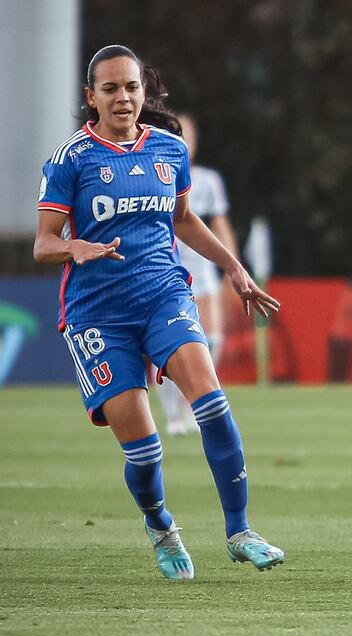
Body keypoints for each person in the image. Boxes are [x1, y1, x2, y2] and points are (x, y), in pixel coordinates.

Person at [34, 44, 285, 580]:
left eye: (131, 87)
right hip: (97, 315)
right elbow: (43, 243)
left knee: (212, 403)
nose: (123, 98)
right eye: (111, 89)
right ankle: (161, 525)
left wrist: (234, 268)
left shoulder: (169, 150)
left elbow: (186, 220)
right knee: (145, 452)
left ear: (143, 92)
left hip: (164, 295)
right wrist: (73, 248)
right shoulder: (71, 160)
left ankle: (240, 530)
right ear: (91, 97)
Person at [154, 112, 240, 436]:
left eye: (188, 134)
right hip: (166, 261)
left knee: (212, 337)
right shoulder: (154, 173)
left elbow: (221, 225)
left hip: (201, 262)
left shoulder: (207, 180)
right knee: (163, 342)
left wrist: (233, 265)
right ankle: (173, 414)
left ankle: (195, 402)